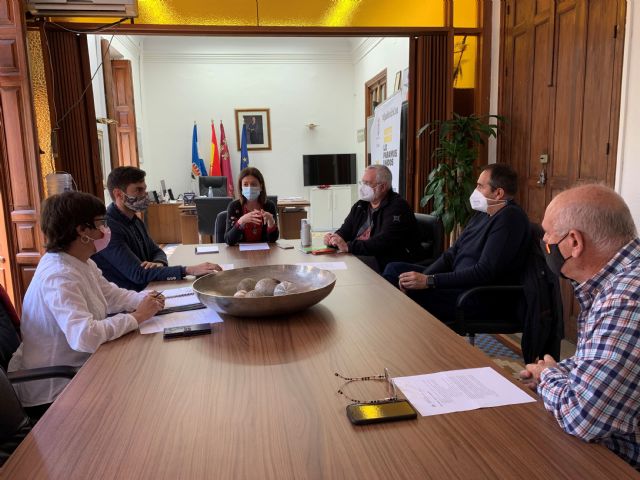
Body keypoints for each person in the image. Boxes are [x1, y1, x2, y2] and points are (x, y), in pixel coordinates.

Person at [8, 192, 165, 418]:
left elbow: (111, 295)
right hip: (56, 390)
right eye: (101, 223)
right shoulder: (58, 275)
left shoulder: (82, 262)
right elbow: (84, 336)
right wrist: (137, 317)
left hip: (84, 368)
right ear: (82, 230)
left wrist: (146, 299)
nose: (105, 230)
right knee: (144, 399)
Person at [519, 184, 640, 469]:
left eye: (548, 234)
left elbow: (583, 416)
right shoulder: (619, 280)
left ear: (574, 242)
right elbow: (600, 361)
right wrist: (559, 373)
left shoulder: (627, 299)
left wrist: (547, 376)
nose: (544, 242)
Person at [382, 163, 530, 323]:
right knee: (394, 270)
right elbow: (451, 254)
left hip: (475, 296)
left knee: (408, 292)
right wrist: (424, 277)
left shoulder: (510, 218)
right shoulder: (483, 213)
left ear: (498, 193)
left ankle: (396, 332)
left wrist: (429, 281)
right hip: (456, 283)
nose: (475, 190)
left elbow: (484, 272)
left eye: (480, 186)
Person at [93, 166, 221, 291]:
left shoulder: (135, 220)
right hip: (130, 297)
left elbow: (157, 251)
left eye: (144, 189)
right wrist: (189, 270)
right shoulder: (107, 229)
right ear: (118, 194)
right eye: (138, 190)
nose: (145, 195)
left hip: (150, 288)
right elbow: (138, 274)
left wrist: (159, 262)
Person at [324, 164, 423, 272]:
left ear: (383, 187)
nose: (363, 187)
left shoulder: (397, 207)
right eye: (362, 182)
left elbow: (384, 241)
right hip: (361, 255)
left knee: (345, 269)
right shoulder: (361, 205)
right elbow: (346, 229)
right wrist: (334, 239)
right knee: (328, 263)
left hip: (386, 260)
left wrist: (349, 247)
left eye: (367, 183)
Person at [225, 167, 279, 245]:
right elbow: (228, 240)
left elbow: (273, 240)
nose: (249, 188)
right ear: (241, 188)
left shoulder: (269, 206)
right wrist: (241, 221)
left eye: (253, 184)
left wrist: (271, 221)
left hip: (264, 251)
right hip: (240, 252)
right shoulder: (234, 206)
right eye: (245, 184)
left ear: (261, 186)